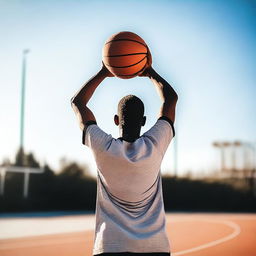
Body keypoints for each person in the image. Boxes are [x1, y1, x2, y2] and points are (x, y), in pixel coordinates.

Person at [71, 60, 178, 255]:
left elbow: (77, 103)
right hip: (155, 246)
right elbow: (171, 99)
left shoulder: (103, 146)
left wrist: (104, 72)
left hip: (111, 245)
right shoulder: (154, 145)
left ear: (116, 120)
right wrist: (149, 71)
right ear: (144, 121)